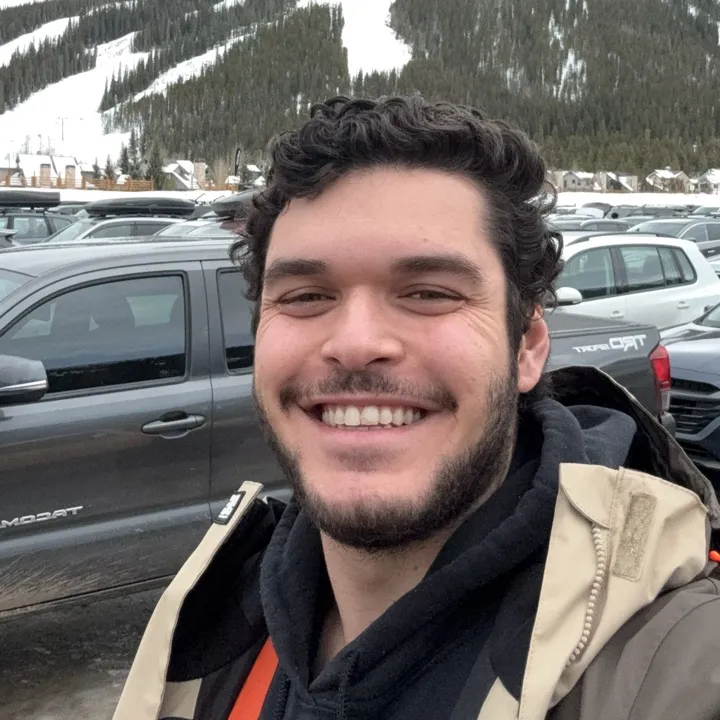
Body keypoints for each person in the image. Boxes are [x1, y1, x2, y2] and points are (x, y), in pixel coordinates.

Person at [113, 96, 720, 720]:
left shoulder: (674, 667)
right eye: (305, 296)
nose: (355, 343)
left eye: (429, 293)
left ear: (527, 347)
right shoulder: (205, 628)